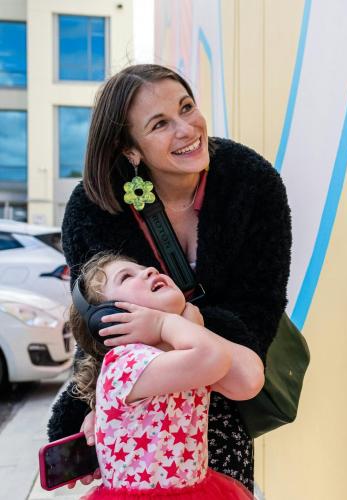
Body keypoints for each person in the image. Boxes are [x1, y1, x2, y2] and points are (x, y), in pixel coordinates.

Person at [47, 64, 292, 490]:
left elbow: (258, 308)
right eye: (161, 123)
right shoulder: (92, 209)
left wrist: (176, 323)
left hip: (218, 385)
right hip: (144, 395)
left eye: (187, 107)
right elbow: (99, 322)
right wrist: (92, 410)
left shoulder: (250, 182)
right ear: (130, 150)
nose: (187, 129)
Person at [70, 252, 262, 499]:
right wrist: (167, 325)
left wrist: (181, 327)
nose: (149, 269)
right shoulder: (125, 364)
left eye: (142, 267)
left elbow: (247, 381)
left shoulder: (185, 352)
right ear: (105, 320)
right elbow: (213, 358)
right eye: (127, 276)